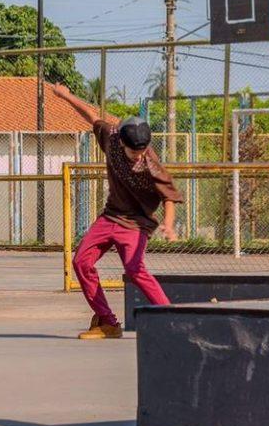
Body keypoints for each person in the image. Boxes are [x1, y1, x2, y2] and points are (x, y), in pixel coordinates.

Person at [48, 82, 182, 340]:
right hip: (110, 216)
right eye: (133, 152)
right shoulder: (110, 137)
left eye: (142, 151)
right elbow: (91, 115)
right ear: (121, 142)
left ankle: (171, 319)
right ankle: (108, 322)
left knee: (134, 269)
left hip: (136, 224)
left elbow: (169, 196)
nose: (138, 156)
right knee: (81, 262)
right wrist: (65, 96)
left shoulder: (152, 165)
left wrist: (168, 224)